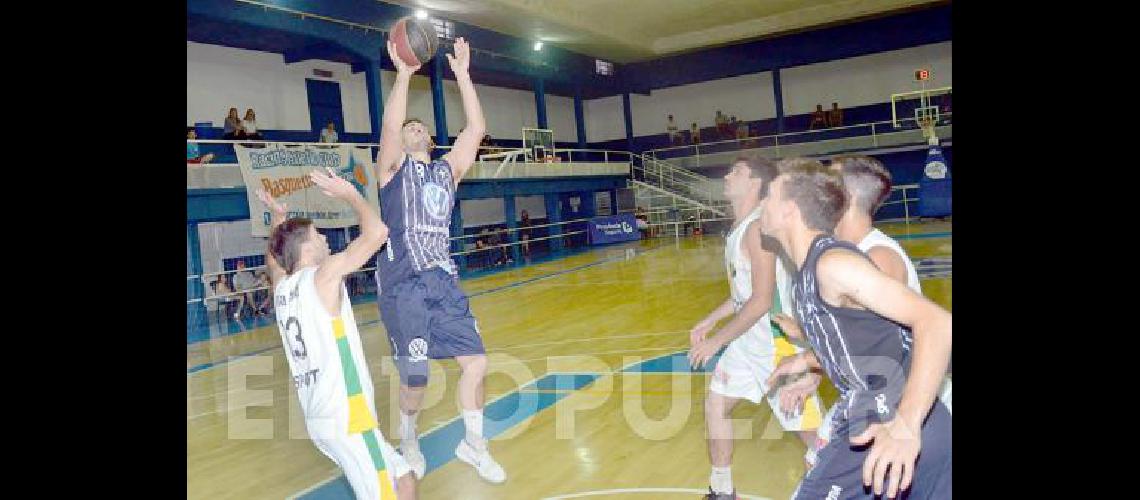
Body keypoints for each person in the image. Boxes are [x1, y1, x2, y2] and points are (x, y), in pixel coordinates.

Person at [760, 162, 951, 499]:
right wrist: (811, 363)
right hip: (891, 414)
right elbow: (867, 338)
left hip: (891, 418)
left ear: (790, 210)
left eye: (770, 196)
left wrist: (907, 425)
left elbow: (936, 322)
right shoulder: (808, 273)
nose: (763, 203)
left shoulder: (834, 264)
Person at [372, 37, 505, 483]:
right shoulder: (391, 172)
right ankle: (408, 437)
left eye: (418, 127)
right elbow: (389, 130)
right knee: (416, 381)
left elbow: (475, 129)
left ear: (429, 138)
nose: (411, 128)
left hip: (443, 281)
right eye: (407, 127)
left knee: (478, 363)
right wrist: (405, 74)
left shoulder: (446, 172)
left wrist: (464, 75)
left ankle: (473, 444)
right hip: (403, 284)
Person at [256, 170, 416, 500]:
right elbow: (379, 233)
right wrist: (351, 195)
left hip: (320, 418)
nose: (325, 239)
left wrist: (279, 218)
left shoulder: (282, 288)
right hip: (348, 416)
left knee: (404, 476)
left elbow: (274, 261)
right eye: (318, 235)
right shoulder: (322, 276)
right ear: (305, 248)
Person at [689, 156, 822, 500]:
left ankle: (843, 482)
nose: (727, 174)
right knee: (716, 405)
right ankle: (721, 489)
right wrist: (712, 318)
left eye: (737, 171)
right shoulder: (739, 229)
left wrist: (715, 340)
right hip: (747, 343)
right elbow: (743, 292)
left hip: (776, 345)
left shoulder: (756, 230)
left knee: (813, 435)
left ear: (755, 184)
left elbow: (762, 300)